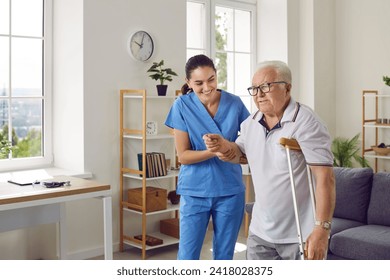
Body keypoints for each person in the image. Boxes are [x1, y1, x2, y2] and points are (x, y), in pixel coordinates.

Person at [203, 60, 336, 260]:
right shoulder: (250, 123)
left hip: (298, 234)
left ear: (287, 88)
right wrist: (223, 146)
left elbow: (325, 179)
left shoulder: (307, 122)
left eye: (266, 86)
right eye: (254, 89)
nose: (259, 94)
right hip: (260, 232)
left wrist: (322, 229)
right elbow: (241, 154)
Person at [165, 54, 250, 260]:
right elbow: (183, 156)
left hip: (230, 190)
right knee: (187, 257)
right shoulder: (181, 106)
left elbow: (250, 148)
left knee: (224, 256)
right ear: (188, 83)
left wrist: (229, 147)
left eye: (211, 79)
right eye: (199, 82)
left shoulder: (235, 103)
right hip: (195, 191)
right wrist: (214, 150)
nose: (207, 87)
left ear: (216, 75)